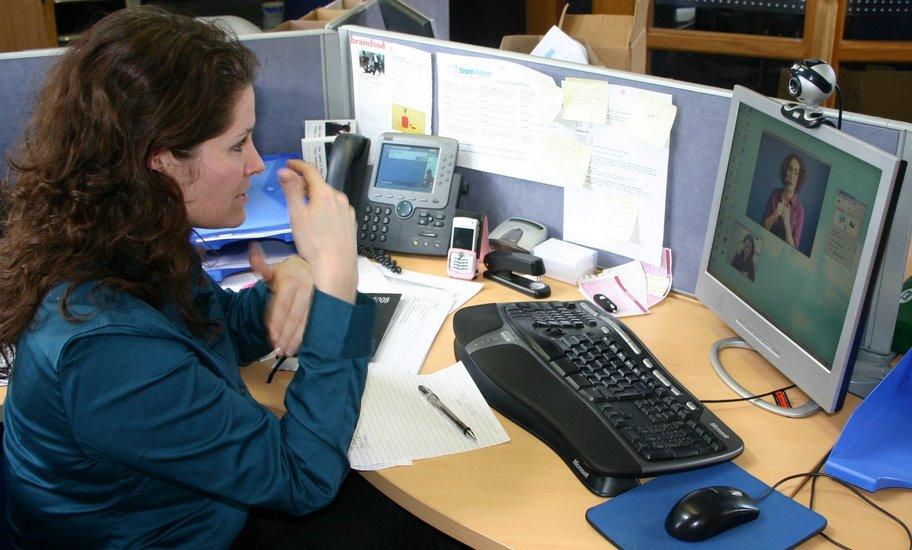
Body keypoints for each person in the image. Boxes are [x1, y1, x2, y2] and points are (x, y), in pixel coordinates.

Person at [0, 7, 456, 548]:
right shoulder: (105, 350)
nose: (258, 163)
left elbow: (213, 331)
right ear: (163, 160)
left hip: (191, 508)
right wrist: (338, 284)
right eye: (238, 144)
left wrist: (288, 282)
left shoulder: (122, 240)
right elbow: (303, 480)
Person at [762, 153, 806, 249]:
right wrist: (775, 214)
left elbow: (793, 249)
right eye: (790, 169)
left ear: (799, 178)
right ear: (785, 172)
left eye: (796, 172)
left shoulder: (800, 210)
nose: (791, 175)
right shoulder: (774, 194)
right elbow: (763, 227)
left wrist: (786, 223)